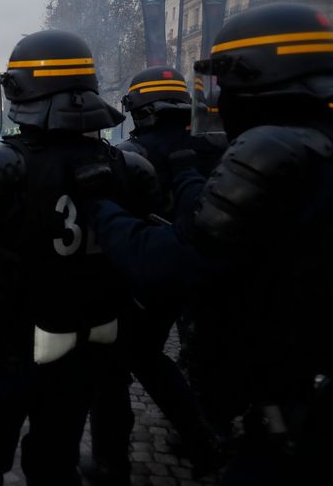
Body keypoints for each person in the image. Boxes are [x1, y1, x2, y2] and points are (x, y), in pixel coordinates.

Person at [86, 2, 333, 486]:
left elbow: (172, 259)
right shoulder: (286, 144)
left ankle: (120, 460)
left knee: (120, 365)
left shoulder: (269, 148)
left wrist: (100, 207)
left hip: (277, 382)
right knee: (153, 361)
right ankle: (202, 437)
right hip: (289, 366)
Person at [0, 31, 160, 486]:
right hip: (85, 349)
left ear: (19, 90)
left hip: (8, 350)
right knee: (56, 462)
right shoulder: (131, 168)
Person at [83, 66, 226, 484]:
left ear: (139, 111)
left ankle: (112, 463)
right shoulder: (214, 148)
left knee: (110, 372)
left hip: (139, 280)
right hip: (192, 284)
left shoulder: (128, 156)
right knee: (150, 360)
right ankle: (203, 441)